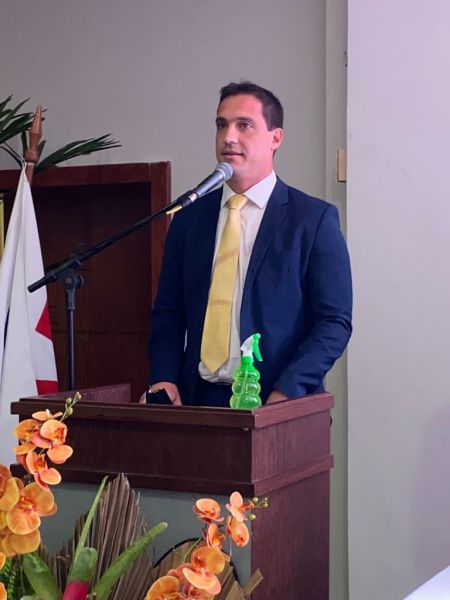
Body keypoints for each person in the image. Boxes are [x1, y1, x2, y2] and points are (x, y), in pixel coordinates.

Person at [148, 81, 352, 407]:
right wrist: (164, 377)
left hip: (278, 401)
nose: (229, 137)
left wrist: (287, 393)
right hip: (197, 401)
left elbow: (333, 322)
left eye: (244, 125)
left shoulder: (312, 219)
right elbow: (169, 312)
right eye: (221, 125)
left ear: (276, 138)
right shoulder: (189, 219)